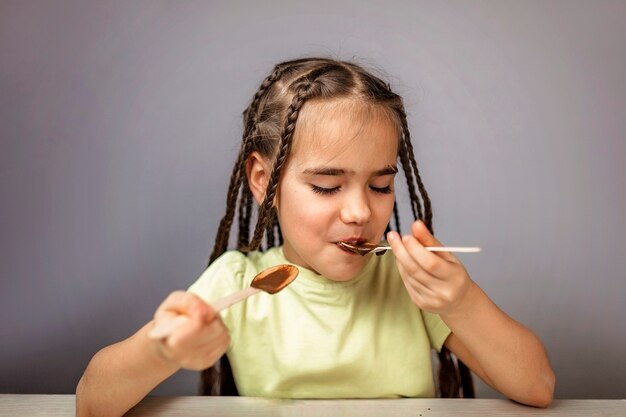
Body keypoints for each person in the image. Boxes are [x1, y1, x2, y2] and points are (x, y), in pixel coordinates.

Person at [76, 57, 555, 416]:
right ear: (264, 182)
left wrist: (461, 302)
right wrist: (161, 350)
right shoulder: (241, 284)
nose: (360, 211)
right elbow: (93, 402)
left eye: (380, 185)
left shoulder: (407, 284)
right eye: (327, 186)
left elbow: (536, 387)